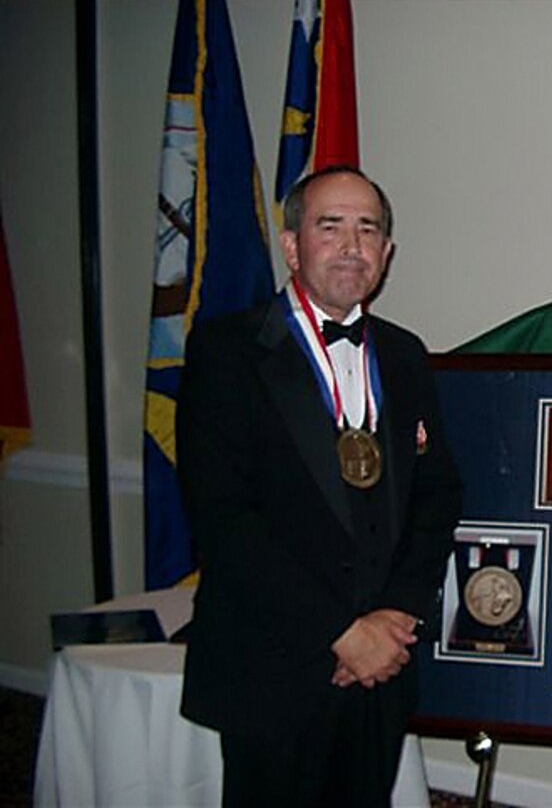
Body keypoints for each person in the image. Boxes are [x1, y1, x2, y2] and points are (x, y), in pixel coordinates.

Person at [176, 166, 462, 808]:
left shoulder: (406, 354)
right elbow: (225, 521)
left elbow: (437, 496)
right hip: (273, 666)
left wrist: (394, 618)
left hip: (380, 668)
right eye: (330, 226)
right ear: (292, 244)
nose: (352, 245)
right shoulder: (227, 352)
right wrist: (341, 632)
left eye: (369, 229)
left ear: (387, 254)